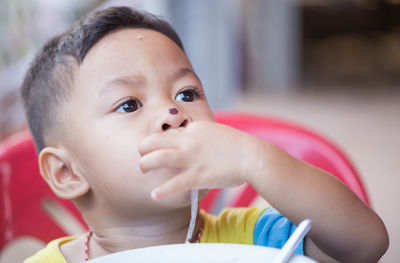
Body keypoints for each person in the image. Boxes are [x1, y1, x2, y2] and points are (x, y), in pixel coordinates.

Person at [21, 6, 388, 263]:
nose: (173, 113)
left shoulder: (256, 238)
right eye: (130, 105)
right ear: (67, 173)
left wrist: (255, 160)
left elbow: (366, 247)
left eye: (187, 94)